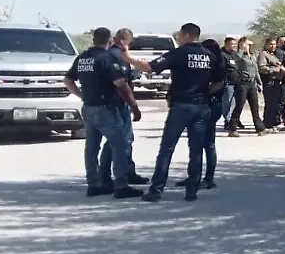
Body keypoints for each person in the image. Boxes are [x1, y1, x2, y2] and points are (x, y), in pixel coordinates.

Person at [126, 23, 225, 202]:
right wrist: (205, 92)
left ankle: (156, 190)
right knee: (196, 151)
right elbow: (219, 81)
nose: (179, 38)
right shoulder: (209, 55)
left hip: (181, 106)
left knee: (167, 149)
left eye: (180, 35)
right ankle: (192, 192)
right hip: (202, 106)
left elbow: (149, 67)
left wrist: (128, 58)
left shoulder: (179, 53)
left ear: (186, 35)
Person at [63, 27, 143, 199]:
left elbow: (68, 80)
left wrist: (81, 95)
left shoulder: (82, 58)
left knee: (92, 147)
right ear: (109, 40)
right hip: (105, 108)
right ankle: (121, 185)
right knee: (120, 144)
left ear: (93, 39)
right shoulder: (106, 58)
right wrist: (134, 106)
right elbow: (121, 84)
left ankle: (94, 184)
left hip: (88, 107)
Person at [179, 39, 227, 191]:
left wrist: (202, 92)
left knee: (206, 144)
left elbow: (218, 84)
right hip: (212, 104)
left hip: (211, 105)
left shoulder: (215, 65)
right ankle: (195, 176)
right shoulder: (216, 63)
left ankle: (207, 178)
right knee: (198, 143)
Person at [229, 38, 269, 136]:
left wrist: (259, 83)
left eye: (250, 45)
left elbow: (256, 70)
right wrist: (242, 48)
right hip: (242, 83)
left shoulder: (252, 56)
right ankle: (232, 128)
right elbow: (236, 59)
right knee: (239, 106)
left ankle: (260, 128)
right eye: (248, 44)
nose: (249, 46)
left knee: (255, 107)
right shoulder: (239, 55)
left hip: (252, 84)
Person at [257, 38, 285, 131]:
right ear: (266, 45)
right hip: (269, 81)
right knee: (270, 103)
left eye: (274, 44)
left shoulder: (273, 55)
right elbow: (262, 67)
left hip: (277, 82)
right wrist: (275, 70)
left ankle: (273, 122)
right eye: (271, 44)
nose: (273, 46)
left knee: (275, 103)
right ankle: (267, 123)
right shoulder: (264, 54)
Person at [221, 37, 239, 131]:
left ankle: (234, 121)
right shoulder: (222, 55)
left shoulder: (235, 54)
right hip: (227, 82)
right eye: (232, 44)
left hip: (237, 82)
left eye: (235, 44)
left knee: (235, 103)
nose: (234, 46)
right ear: (226, 44)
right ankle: (227, 121)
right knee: (228, 103)